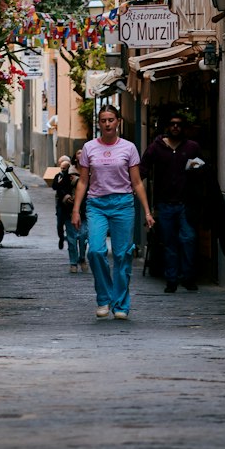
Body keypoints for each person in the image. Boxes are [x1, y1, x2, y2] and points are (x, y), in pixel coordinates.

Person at [72, 105, 154, 320]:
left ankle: (121, 305)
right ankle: (104, 298)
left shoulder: (129, 148)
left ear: (118, 122)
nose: (107, 123)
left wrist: (146, 211)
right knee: (95, 251)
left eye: (111, 119)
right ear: (99, 123)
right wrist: (76, 210)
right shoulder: (89, 148)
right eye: (103, 120)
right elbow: (83, 181)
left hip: (123, 204)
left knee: (122, 254)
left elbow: (137, 183)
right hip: (96, 204)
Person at [140, 112, 203, 293]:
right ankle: (171, 279)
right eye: (172, 124)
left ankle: (188, 277)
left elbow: (201, 168)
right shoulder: (156, 148)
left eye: (179, 124)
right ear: (167, 126)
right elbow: (143, 168)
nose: (175, 127)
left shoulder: (191, 147)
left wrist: (192, 169)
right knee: (169, 242)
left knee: (188, 239)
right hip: (165, 203)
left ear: (184, 128)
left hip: (186, 202)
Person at [53, 155, 75, 251]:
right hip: (60, 204)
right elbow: (54, 186)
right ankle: (61, 237)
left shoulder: (71, 177)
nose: (63, 170)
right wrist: (59, 182)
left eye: (64, 168)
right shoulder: (58, 176)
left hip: (70, 205)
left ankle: (71, 241)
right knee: (59, 224)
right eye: (61, 168)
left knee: (70, 225)